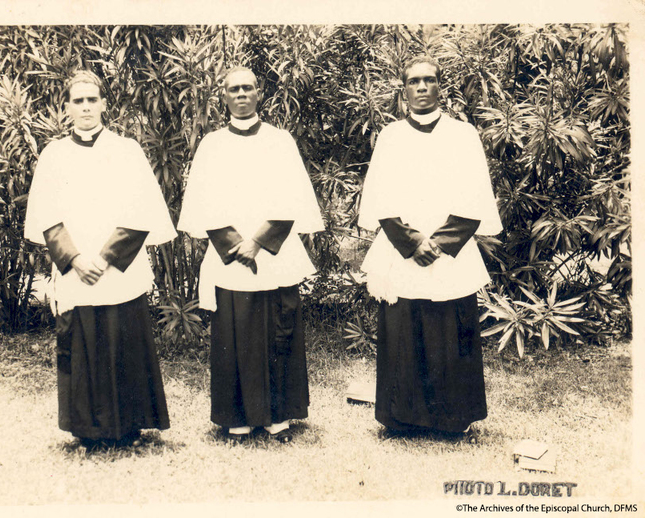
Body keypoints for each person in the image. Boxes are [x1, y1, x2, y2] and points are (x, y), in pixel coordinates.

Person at [24, 70, 176, 449]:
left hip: (119, 266)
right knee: (83, 342)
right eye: (78, 101)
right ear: (66, 108)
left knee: (124, 338)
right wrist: (75, 259)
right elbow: (46, 216)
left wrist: (106, 258)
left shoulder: (127, 150)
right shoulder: (53, 155)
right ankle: (87, 430)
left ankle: (131, 425)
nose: (86, 107)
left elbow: (143, 211)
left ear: (104, 104)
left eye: (93, 99)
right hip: (76, 269)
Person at [357, 56, 503, 441]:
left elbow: (476, 198)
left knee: (449, 330)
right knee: (404, 329)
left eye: (429, 80)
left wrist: (436, 244)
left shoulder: (463, 134)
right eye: (413, 82)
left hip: (449, 251)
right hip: (401, 249)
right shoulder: (390, 136)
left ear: (441, 87)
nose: (421, 87)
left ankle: (452, 418)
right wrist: (410, 243)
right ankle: (402, 418)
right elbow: (379, 199)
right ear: (403, 90)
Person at [177, 66, 324, 444]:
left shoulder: (280, 141)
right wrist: (234, 244)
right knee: (234, 330)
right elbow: (202, 204)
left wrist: (258, 241)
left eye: (248, 88)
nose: (241, 94)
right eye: (233, 89)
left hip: (274, 251)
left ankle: (278, 417)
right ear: (223, 97)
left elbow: (293, 199)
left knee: (278, 329)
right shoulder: (211, 144)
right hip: (229, 255)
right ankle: (237, 417)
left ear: (260, 93)